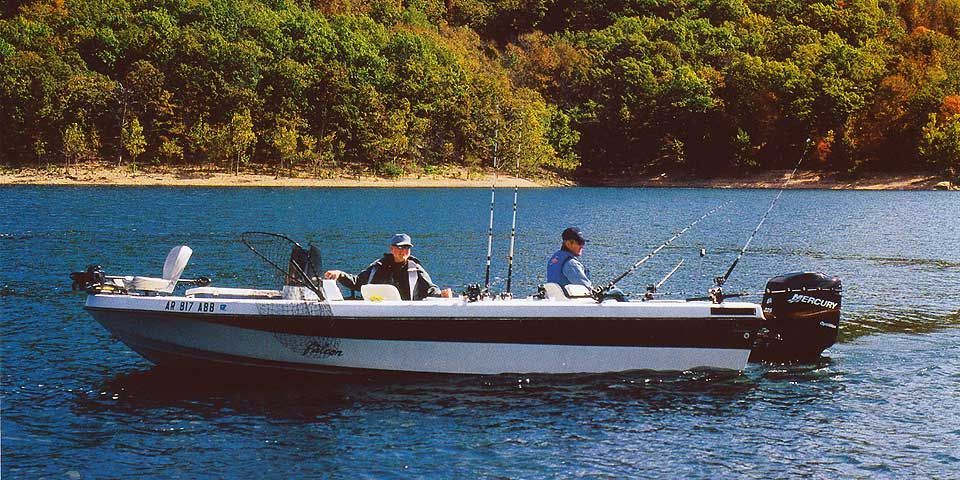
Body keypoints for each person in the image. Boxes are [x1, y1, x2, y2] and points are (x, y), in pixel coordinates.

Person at [324, 233, 453, 300]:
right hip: (377, 312)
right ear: (391, 249)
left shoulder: (415, 269)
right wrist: (340, 274)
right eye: (400, 247)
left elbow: (430, 290)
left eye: (407, 248)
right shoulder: (378, 266)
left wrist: (441, 294)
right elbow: (358, 282)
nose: (403, 251)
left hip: (405, 314)